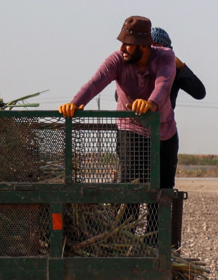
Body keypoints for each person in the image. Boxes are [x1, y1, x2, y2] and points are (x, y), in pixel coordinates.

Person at [59, 15, 179, 190]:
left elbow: (164, 84)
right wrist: (74, 104)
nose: (122, 48)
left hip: (164, 132)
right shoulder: (117, 59)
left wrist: (150, 104)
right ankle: (129, 218)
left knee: (163, 193)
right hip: (131, 130)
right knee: (130, 191)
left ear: (144, 46)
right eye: (122, 43)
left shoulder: (165, 57)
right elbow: (94, 83)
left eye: (128, 44)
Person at [148, 27, 206, 109]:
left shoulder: (173, 70)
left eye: (157, 46)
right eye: (150, 47)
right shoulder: (136, 67)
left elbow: (199, 92)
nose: (153, 50)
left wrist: (182, 68)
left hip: (163, 120)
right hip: (134, 119)